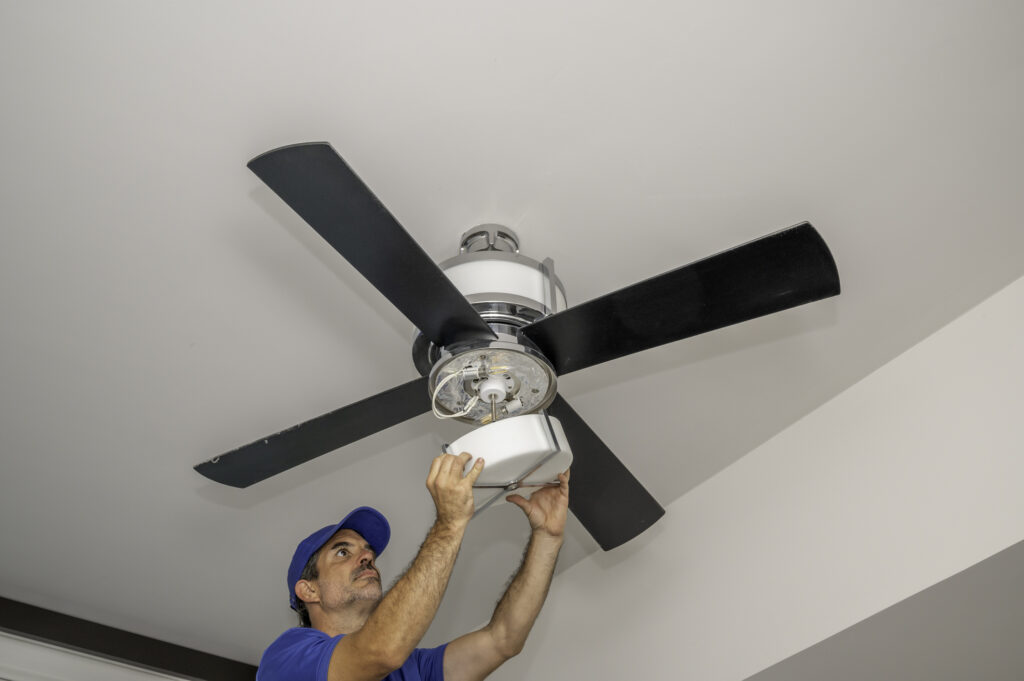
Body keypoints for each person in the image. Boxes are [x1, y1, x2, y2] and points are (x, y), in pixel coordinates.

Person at [256, 451, 570, 681]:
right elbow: (380, 652)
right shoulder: (287, 658)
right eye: (342, 552)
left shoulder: (413, 669)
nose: (366, 557)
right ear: (308, 590)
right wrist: (449, 524)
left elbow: (503, 639)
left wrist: (547, 536)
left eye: (368, 551)